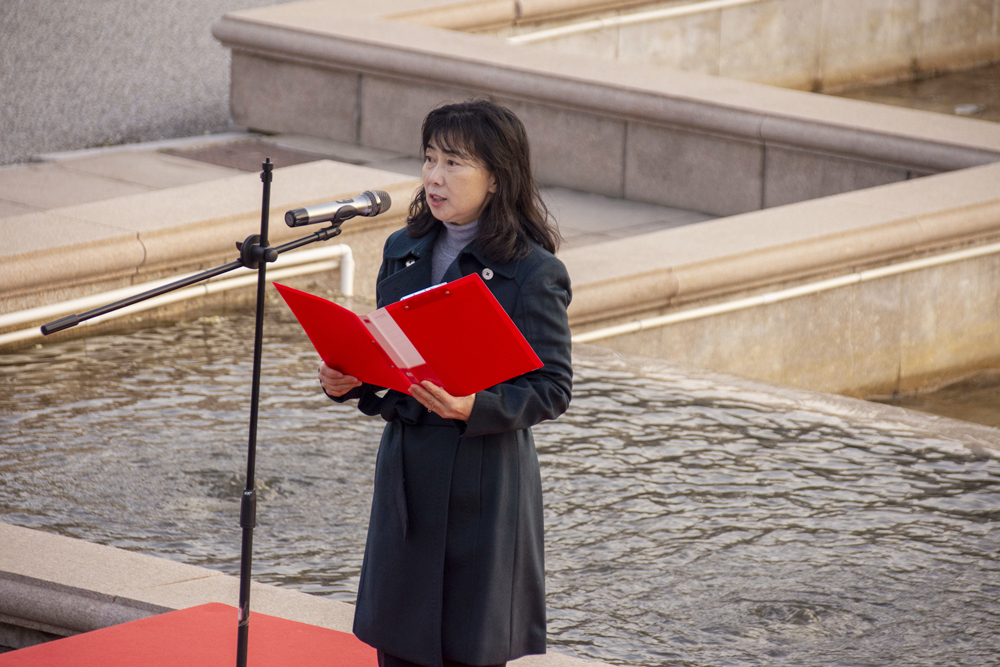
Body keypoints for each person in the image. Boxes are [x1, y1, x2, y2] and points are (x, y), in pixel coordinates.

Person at [317, 99, 573, 667]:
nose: (434, 176)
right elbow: (391, 358)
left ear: (497, 177)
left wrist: (472, 406)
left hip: (483, 482)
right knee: (398, 643)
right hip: (407, 472)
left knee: (467, 646)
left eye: (454, 163)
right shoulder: (403, 248)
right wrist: (349, 380)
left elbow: (553, 387)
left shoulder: (534, 271)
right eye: (430, 158)